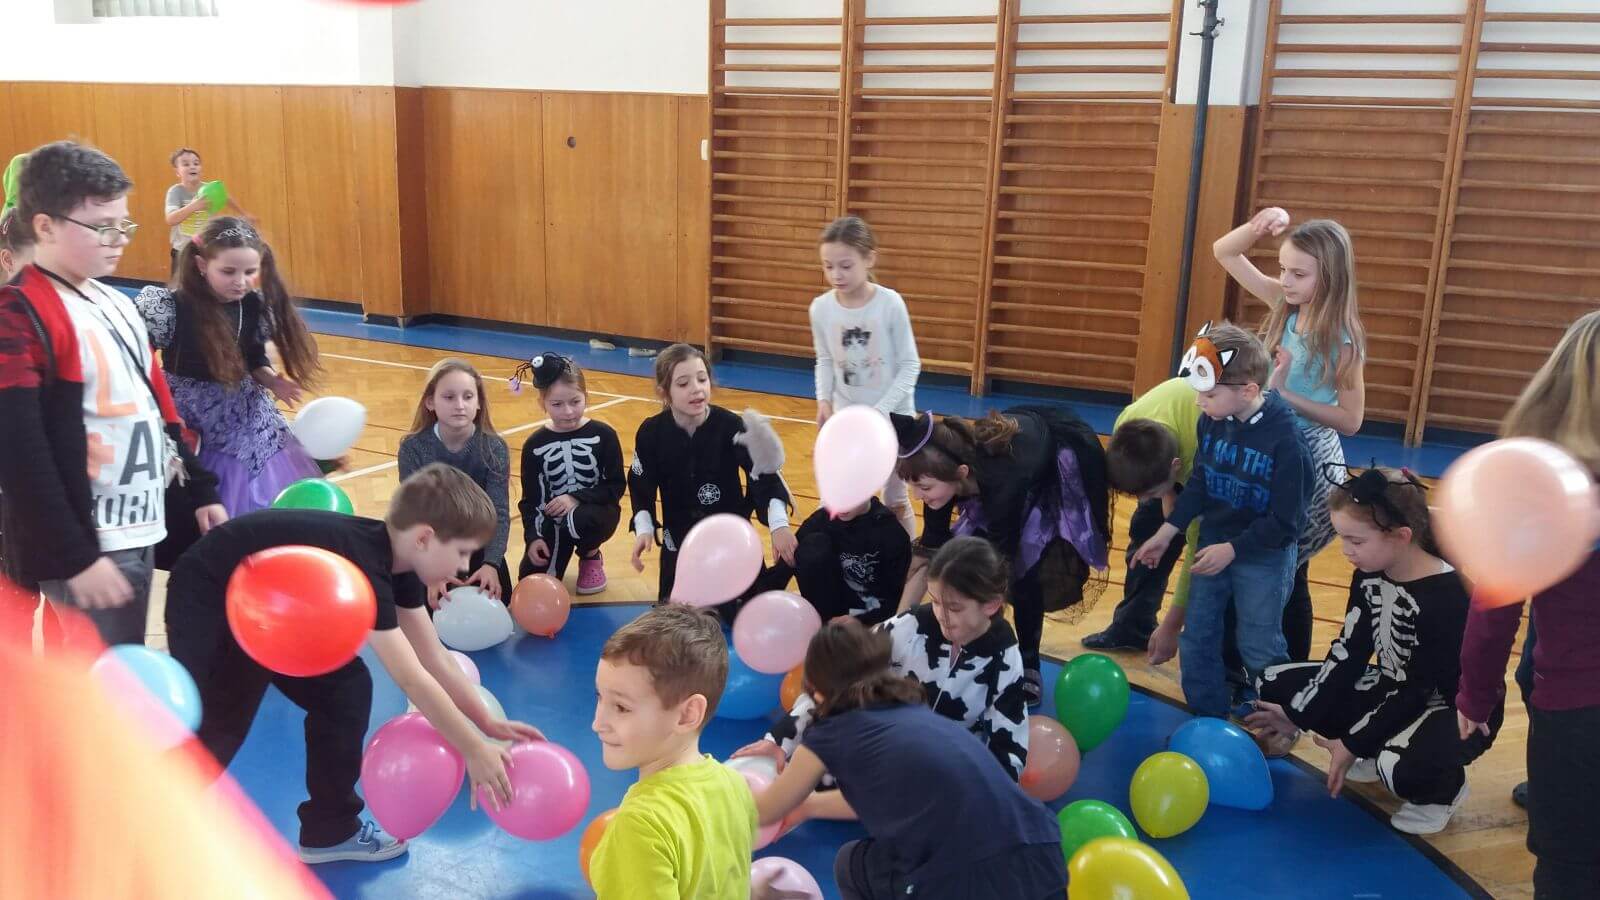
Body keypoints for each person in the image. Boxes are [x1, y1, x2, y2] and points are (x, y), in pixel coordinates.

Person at [165, 463, 544, 864]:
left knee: (345, 690)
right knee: (217, 725)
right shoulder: (368, 563)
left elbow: (434, 657)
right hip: (209, 591)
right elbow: (412, 679)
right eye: (462, 552)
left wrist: (485, 724)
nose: (463, 567)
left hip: (271, 604)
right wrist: (472, 748)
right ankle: (145, 816)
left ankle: (329, 829)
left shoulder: (402, 565)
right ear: (424, 538)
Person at [0, 141, 225, 647]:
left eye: (124, 224)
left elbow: (158, 406)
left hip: (140, 522)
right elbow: (18, 450)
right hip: (90, 540)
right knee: (102, 676)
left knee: (121, 663)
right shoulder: (18, 314)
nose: (119, 239)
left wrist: (199, 488)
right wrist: (75, 554)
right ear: (45, 226)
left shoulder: (116, 302)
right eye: (102, 227)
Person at [1248, 467, 1496, 831]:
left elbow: (1418, 689)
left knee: (1398, 766)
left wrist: (1352, 743)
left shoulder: (1447, 597)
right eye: (1342, 539)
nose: (1346, 551)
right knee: (1273, 683)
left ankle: (1444, 790)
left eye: (1356, 541)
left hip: (1453, 707)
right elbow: (1349, 652)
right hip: (1395, 685)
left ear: (1401, 536)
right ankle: (1377, 745)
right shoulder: (1369, 572)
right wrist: (1298, 713)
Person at [752, 617, 1066, 899]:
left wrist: (723, 786)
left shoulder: (831, 733)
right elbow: (887, 799)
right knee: (860, 862)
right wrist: (809, 806)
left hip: (969, 878)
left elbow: (763, 812)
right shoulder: (910, 712)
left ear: (816, 690)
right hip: (1042, 856)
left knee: (854, 866)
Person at [1455, 310, 1600, 898]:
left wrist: (1474, 695)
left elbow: (1494, 608)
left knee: (1570, 868)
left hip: (1579, 713)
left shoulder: (1540, 484)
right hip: (1575, 703)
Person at [734, 536, 1029, 785]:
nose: (942, 616)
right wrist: (779, 740)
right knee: (813, 767)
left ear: (991, 605)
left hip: (940, 772)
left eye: (955, 608)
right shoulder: (909, 627)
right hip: (886, 747)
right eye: (936, 601)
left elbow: (1008, 748)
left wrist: (986, 802)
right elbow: (835, 680)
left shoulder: (1003, 656)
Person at [1133, 322, 1310, 719]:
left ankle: (1279, 723)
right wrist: (1167, 531)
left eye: (1209, 394)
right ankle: (1206, 717)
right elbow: (1201, 481)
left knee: (1259, 644)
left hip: (1262, 554)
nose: (1199, 402)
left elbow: (1287, 524)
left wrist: (1233, 549)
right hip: (1214, 543)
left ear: (1248, 391)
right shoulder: (1212, 420)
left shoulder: (1287, 442)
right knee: (1197, 636)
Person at [1216, 208, 1367, 661]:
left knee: (1289, 570)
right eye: (1282, 269)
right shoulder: (1285, 305)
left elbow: (1351, 419)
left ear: (1331, 278)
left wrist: (1283, 395)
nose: (1285, 280)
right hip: (1274, 448)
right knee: (1260, 563)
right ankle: (1243, 660)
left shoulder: (1342, 339)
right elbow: (1224, 252)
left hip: (1312, 462)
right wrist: (1257, 226)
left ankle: (1290, 671)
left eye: (1298, 274)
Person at [892, 405, 1110, 704]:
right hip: (997, 477)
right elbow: (930, 549)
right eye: (913, 487)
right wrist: (895, 630)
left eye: (924, 487)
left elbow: (996, 570)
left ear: (961, 474)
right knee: (947, 557)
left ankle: (1028, 662)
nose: (917, 496)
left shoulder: (1003, 483)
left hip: (1043, 473)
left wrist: (974, 635)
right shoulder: (943, 480)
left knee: (1024, 574)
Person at [134, 217, 322, 520]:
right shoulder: (171, 306)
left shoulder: (253, 305)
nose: (241, 281)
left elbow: (253, 357)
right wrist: (156, 409)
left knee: (258, 486)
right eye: (228, 272)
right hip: (189, 411)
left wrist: (272, 381)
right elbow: (140, 362)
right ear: (201, 264)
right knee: (204, 486)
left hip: (243, 410)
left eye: (250, 272)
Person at [588, 604, 756, 898]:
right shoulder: (733, 785)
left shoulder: (640, 825)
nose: (597, 723)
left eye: (621, 707)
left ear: (687, 714)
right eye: (599, 697)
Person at [628, 343, 794, 616]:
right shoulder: (651, 432)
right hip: (681, 544)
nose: (696, 389)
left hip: (732, 544)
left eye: (702, 379)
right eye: (683, 383)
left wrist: (778, 525)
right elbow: (640, 483)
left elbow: (764, 475)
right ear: (664, 392)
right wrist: (644, 529)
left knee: (752, 612)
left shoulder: (731, 426)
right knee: (676, 620)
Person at [811, 215, 920, 536]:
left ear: (869, 259)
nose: (836, 274)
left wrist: (881, 411)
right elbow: (825, 359)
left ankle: (905, 558)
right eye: (828, 266)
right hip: (848, 421)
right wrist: (823, 401)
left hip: (894, 418)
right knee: (837, 497)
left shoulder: (890, 304)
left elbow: (910, 365)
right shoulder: (821, 308)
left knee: (895, 499)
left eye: (846, 266)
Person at [1082, 376, 1201, 657]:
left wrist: (1172, 626)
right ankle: (1133, 628)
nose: (1143, 500)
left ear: (1175, 467)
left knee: (1209, 557)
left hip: (1206, 458)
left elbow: (1197, 551)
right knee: (1147, 533)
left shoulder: (1201, 451)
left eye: (1150, 493)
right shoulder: (1127, 428)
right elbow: (1157, 488)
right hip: (1172, 460)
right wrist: (1166, 496)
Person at [398, 359, 511, 603]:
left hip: (478, 544)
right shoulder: (413, 448)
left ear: (478, 402)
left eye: (468, 397)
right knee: (425, 602)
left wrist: (492, 564)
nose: (460, 405)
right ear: (430, 402)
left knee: (499, 598)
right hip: (433, 544)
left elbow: (499, 513)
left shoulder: (494, 447)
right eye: (449, 397)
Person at [513, 352, 623, 593]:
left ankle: (590, 554)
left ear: (586, 397)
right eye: (557, 404)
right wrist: (534, 537)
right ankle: (553, 556)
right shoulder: (534, 445)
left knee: (579, 521)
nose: (569, 412)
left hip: (595, 512)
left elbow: (615, 486)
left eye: (575, 402)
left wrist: (575, 498)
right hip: (552, 522)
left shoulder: (604, 435)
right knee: (531, 584)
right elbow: (531, 501)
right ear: (542, 404)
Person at [777, 495, 911, 627]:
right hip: (831, 611)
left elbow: (898, 599)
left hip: (871, 615)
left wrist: (862, 621)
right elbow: (781, 571)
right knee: (813, 545)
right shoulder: (822, 519)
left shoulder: (891, 533)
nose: (841, 505)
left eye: (849, 495)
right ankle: (821, 623)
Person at [164, 148, 252, 275]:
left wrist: (243, 214)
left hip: (206, 249)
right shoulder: (176, 192)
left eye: (196, 163)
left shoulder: (209, 189)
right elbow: (171, 219)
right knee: (182, 286)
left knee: (207, 284)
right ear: (177, 172)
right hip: (182, 252)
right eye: (186, 164)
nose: (192, 166)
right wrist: (194, 206)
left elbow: (226, 198)